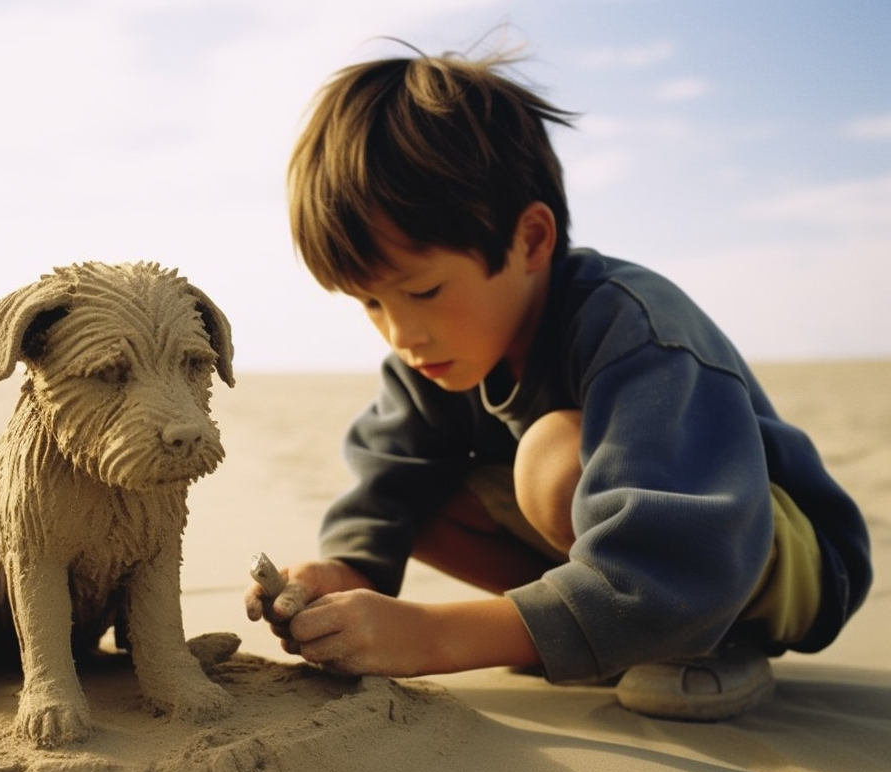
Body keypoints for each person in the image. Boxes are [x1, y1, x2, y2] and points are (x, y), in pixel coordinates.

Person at [243, 49, 872, 720]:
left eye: (423, 290)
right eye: (370, 303)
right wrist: (345, 574)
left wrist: (430, 636)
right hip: (634, 552)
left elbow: (678, 546)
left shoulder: (633, 327)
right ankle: (596, 630)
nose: (401, 333)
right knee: (412, 494)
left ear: (532, 240)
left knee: (552, 456)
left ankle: (704, 639)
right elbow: (385, 486)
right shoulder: (432, 354)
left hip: (759, 554)